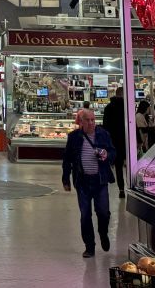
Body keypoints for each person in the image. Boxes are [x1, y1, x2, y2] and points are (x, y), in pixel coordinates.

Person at [62, 107, 116, 258]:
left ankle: (103, 233)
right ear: (81, 122)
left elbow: (113, 152)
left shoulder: (103, 134)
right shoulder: (74, 137)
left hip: (100, 180)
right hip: (82, 181)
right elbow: (67, 159)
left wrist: (107, 155)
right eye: (88, 120)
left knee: (103, 213)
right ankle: (89, 246)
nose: (92, 123)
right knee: (85, 215)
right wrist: (65, 178)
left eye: (93, 120)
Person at [101, 87, 127, 198]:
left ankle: (121, 189)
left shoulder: (108, 107)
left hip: (113, 142)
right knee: (131, 165)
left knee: (118, 166)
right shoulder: (127, 107)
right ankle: (132, 187)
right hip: (126, 141)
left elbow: (105, 126)